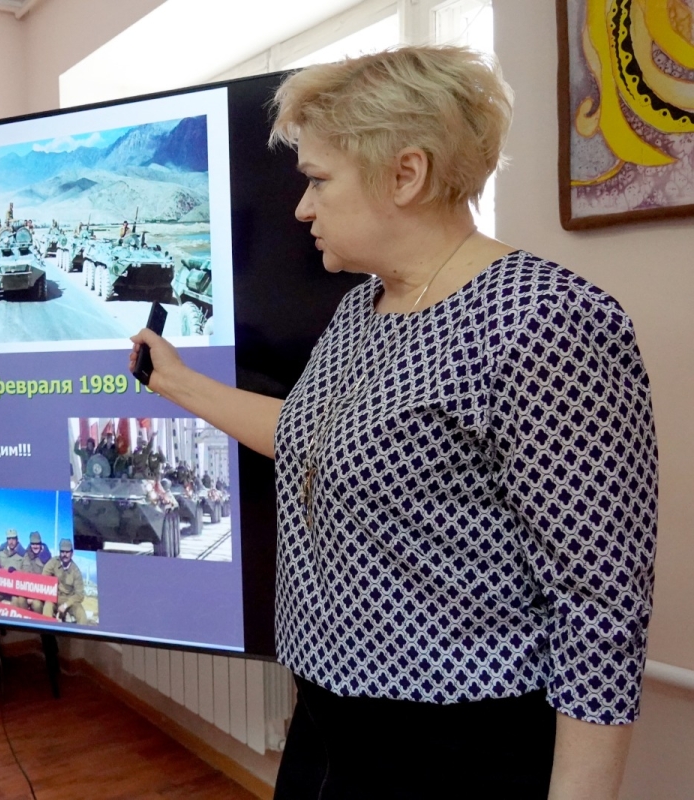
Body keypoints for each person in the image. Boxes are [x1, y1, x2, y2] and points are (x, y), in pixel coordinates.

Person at [128, 46, 657, 799]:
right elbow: (313, 438)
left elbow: (599, 602)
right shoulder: (362, 308)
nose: (302, 207)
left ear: (406, 174)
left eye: (318, 179)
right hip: (329, 724)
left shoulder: (546, 322)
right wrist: (177, 382)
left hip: (453, 750)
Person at [41, 539, 87, 624]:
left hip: (69, 599)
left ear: (72, 553)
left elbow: (80, 595)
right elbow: (44, 575)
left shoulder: (76, 571)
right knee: (48, 606)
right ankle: (47, 630)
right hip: (55, 596)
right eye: (62, 552)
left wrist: (65, 605)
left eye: (67, 552)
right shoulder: (54, 562)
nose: (64, 554)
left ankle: (80, 631)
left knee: (81, 613)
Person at [20, 532, 52, 614]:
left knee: (37, 605)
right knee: (19, 600)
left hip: (40, 594)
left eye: (37, 544)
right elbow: (21, 572)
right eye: (33, 544)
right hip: (26, 591)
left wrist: (35, 597)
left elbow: (49, 581)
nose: (35, 546)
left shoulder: (47, 558)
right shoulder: (26, 556)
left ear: (41, 544)